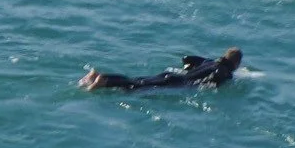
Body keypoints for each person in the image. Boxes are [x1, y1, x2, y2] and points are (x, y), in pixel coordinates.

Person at [79, 48, 243, 93]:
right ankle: (103, 81)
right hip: (178, 82)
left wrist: (189, 68)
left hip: (172, 75)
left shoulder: (210, 61)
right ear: (236, 63)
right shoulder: (225, 72)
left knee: (136, 80)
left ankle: (98, 76)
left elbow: (187, 58)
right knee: (137, 86)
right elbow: (215, 79)